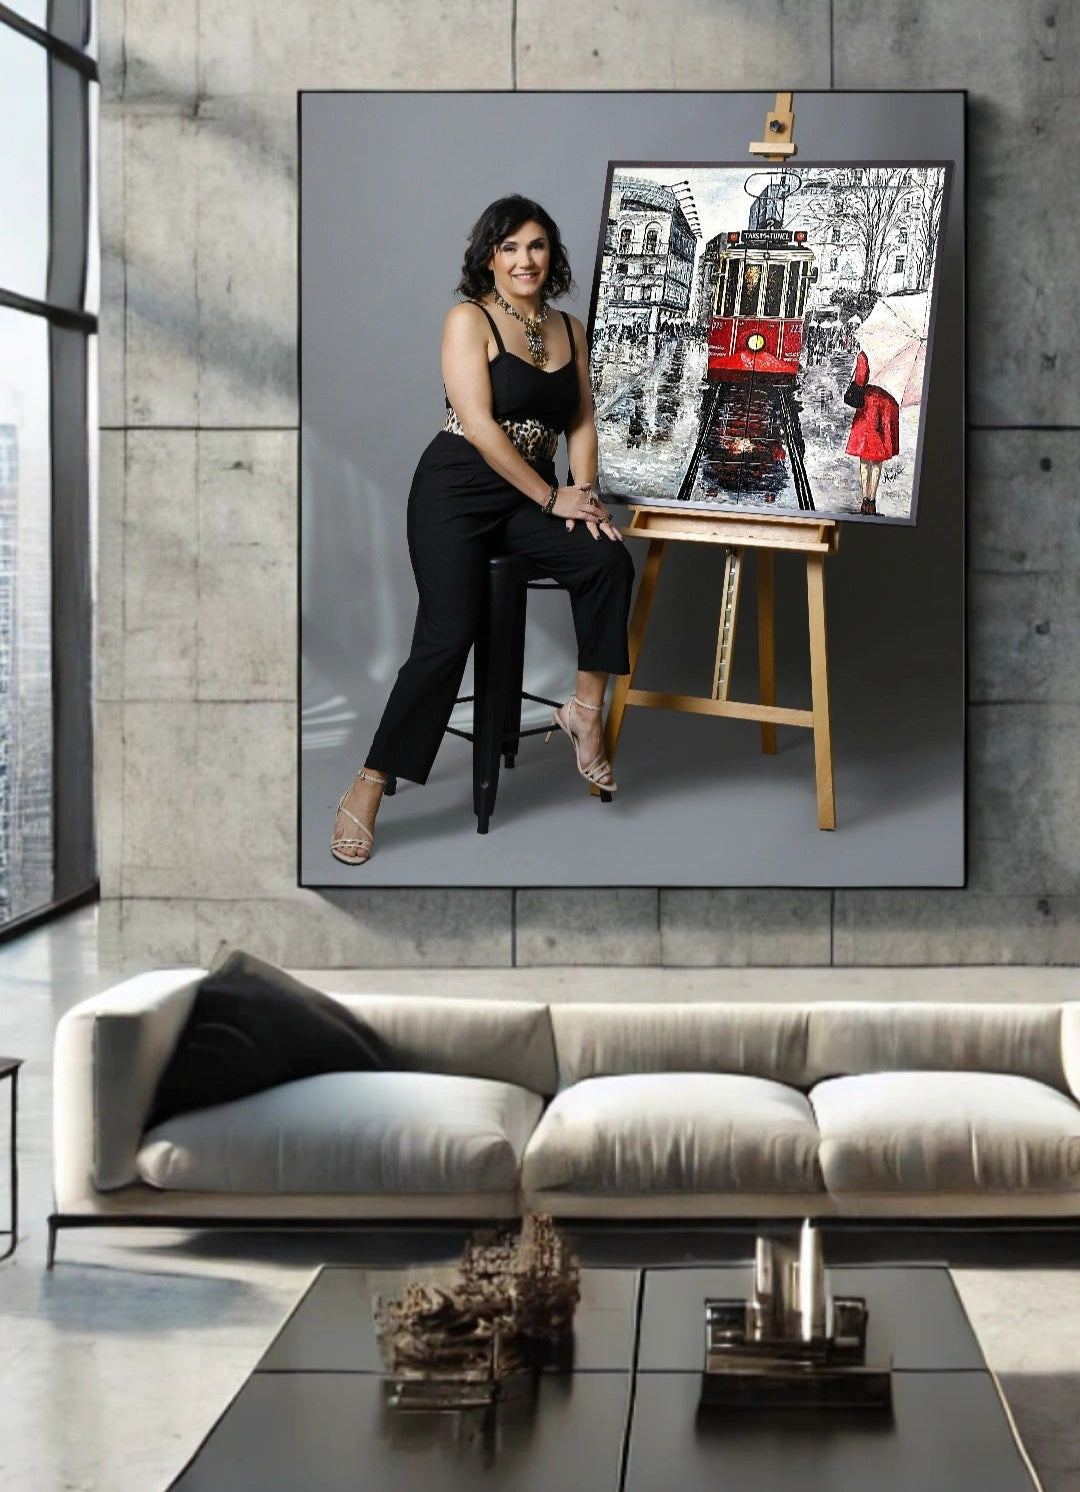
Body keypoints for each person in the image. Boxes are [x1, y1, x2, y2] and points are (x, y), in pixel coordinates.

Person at [330, 196, 635, 867]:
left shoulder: (569, 329)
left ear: (551, 255)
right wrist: (553, 495)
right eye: (510, 248)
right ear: (488, 257)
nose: (524, 260)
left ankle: (584, 712)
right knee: (448, 635)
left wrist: (582, 498)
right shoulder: (469, 321)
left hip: (532, 498)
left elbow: (579, 422)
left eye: (536, 246)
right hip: (458, 493)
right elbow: (480, 425)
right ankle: (371, 782)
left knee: (607, 561)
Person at [844, 348, 900, 515]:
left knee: (864, 456)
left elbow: (860, 379)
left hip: (870, 405)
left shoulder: (865, 353)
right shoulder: (893, 351)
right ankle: (872, 501)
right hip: (887, 404)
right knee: (877, 458)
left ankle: (864, 499)